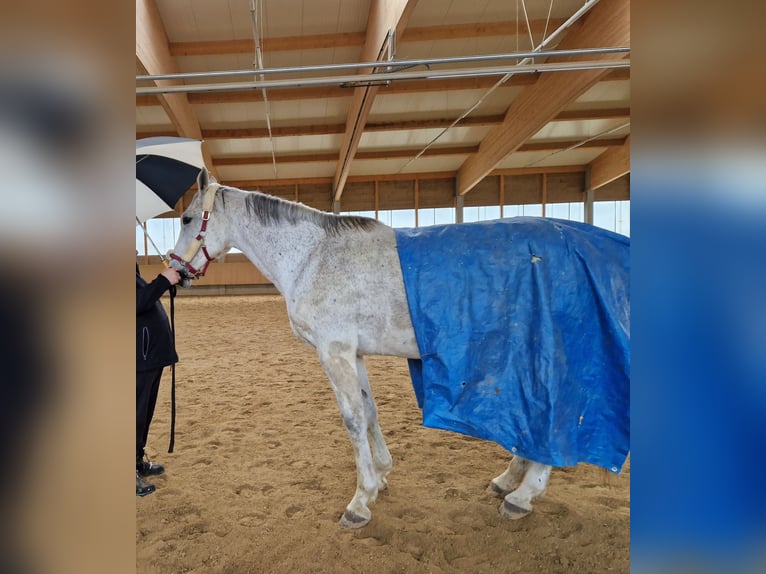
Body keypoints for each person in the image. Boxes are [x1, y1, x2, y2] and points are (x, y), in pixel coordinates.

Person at [136, 260, 181, 496]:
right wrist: (163, 281)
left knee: (143, 415)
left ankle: (135, 461)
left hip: (147, 357)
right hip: (136, 358)